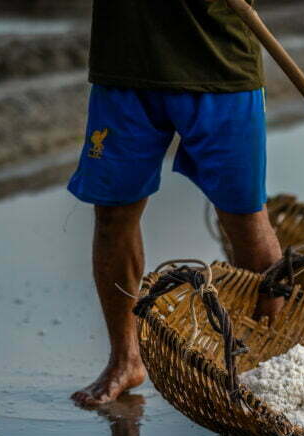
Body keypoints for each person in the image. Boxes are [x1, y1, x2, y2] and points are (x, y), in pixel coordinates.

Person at [68, 0, 283, 407]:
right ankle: (125, 360)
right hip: (127, 64)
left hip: (218, 64)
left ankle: (264, 375)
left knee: (245, 220)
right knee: (114, 214)